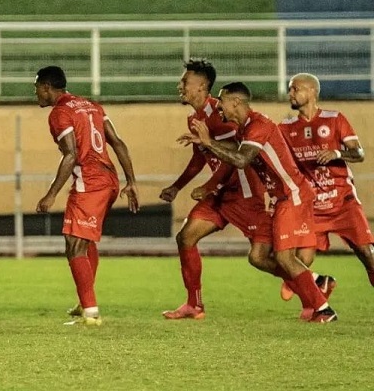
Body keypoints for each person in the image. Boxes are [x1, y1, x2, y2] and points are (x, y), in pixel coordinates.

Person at [183, 82, 338, 323]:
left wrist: (210, 143)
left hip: (292, 195)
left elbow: (242, 159)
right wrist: (205, 143)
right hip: (281, 198)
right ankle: (317, 284)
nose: (218, 106)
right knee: (258, 257)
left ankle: (323, 308)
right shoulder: (244, 128)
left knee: (286, 258)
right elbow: (236, 148)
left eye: (221, 101)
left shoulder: (259, 125)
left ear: (235, 102)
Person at [159, 59, 272, 320]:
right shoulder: (195, 118)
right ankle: (194, 304)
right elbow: (201, 156)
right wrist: (177, 186)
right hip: (220, 194)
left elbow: (238, 153)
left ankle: (313, 282)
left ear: (202, 86)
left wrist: (211, 185)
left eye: (184, 82)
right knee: (185, 237)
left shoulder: (220, 115)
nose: (180, 86)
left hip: (243, 190)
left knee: (262, 256)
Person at [33, 66, 139, 325]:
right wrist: (131, 181)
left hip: (90, 183)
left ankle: (90, 313)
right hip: (109, 180)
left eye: (36, 87)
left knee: (74, 244)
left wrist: (51, 194)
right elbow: (117, 142)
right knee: (85, 242)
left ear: (47, 87)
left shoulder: (60, 113)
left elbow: (71, 154)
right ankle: (85, 303)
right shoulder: (92, 105)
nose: (35, 92)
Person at [278, 73, 373, 299]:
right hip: (312, 207)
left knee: (368, 254)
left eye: (295, 89)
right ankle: (316, 300)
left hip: (343, 202)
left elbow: (358, 153)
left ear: (312, 92)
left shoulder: (334, 119)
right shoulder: (285, 128)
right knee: (299, 262)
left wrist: (336, 153)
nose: (290, 93)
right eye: (290, 89)